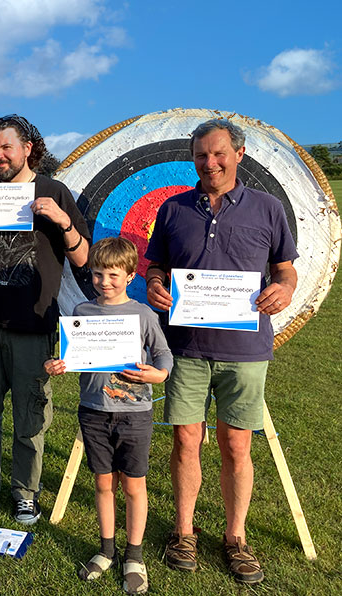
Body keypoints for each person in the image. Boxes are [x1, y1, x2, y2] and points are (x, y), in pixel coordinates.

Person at [145, 119, 298, 584]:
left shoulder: (268, 208)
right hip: (186, 347)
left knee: (236, 444)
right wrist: (154, 283)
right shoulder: (173, 209)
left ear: (239, 154)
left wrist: (285, 290)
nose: (209, 163)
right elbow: (156, 264)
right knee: (186, 439)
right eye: (200, 156)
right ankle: (184, 532)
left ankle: (236, 537)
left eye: (218, 154)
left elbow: (285, 270)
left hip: (245, 350)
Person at [0, 114, 90, 525]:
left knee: (30, 418)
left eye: (5, 148)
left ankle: (25, 492)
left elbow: (82, 259)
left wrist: (62, 221)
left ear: (28, 148)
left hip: (33, 325)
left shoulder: (55, 192)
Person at [45, 237, 172, 595]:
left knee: (133, 485)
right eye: (99, 274)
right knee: (103, 483)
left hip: (134, 414)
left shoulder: (144, 314)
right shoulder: (82, 313)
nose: (105, 282)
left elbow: (164, 357)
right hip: (94, 412)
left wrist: (156, 375)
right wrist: (57, 365)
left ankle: (134, 555)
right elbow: (73, 355)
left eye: (114, 275)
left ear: (131, 275)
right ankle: (106, 549)